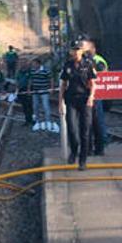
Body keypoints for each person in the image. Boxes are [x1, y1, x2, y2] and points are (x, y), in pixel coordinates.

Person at [60, 40, 97, 170]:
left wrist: (91, 97)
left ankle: (83, 160)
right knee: (71, 128)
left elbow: (92, 84)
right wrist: (60, 102)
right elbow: (63, 85)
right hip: (71, 100)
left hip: (85, 100)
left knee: (85, 131)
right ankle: (74, 150)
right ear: (71, 51)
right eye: (73, 49)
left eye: (78, 49)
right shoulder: (68, 65)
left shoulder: (88, 64)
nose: (75, 52)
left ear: (81, 51)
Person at [83, 38, 108, 156]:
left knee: (97, 122)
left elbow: (102, 74)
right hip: (85, 95)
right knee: (87, 123)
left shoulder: (98, 60)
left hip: (96, 95)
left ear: (93, 48)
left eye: (86, 47)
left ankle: (100, 147)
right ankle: (89, 148)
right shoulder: (84, 60)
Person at [29, 58, 53, 132]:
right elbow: (31, 80)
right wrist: (29, 89)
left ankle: (48, 121)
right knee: (35, 106)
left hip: (44, 91)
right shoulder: (32, 71)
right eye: (33, 64)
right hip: (35, 91)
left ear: (39, 64)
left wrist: (51, 88)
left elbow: (51, 79)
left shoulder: (46, 70)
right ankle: (37, 121)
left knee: (46, 106)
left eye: (35, 64)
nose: (33, 66)